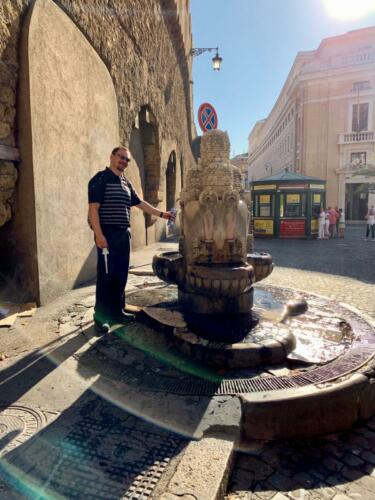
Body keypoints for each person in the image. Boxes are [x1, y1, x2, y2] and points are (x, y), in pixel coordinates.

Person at [88, 146, 176, 333]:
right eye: (121, 157)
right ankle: (101, 316)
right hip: (107, 235)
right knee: (106, 277)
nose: (124, 162)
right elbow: (93, 209)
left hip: (123, 235)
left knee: (121, 276)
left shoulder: (126, 183)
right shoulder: (99, 180)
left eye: (127, 160)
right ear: (112, 157)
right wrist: (99, 234)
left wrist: (163, 214)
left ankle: (117, 311)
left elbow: (140, 203)